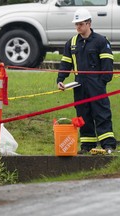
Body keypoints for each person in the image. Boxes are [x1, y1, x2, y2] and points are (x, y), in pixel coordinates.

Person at [56, 8, 117, 154]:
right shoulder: (71, 43)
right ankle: (87, 145)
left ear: (89, 23)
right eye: (76, 24)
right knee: (83, 114)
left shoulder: (101, 41)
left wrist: (102, 82)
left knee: (101, 113)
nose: (78, 27)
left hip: (96, 83)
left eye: (81, 24)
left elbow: (107, 64)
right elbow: (66, 63)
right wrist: (60, 79)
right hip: (79, 84)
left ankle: (108, 144)